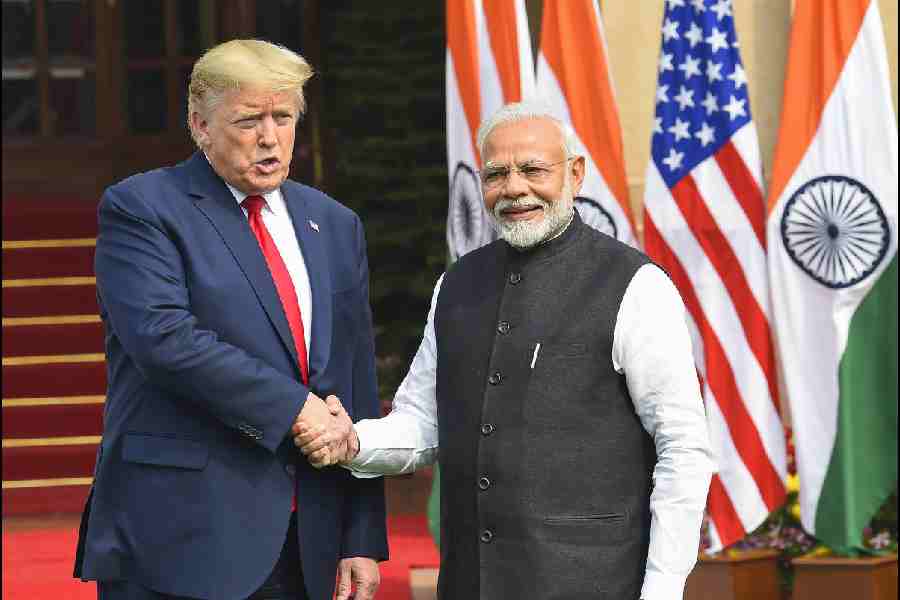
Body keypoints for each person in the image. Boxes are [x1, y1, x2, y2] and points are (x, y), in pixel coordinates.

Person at [296, 101, 715, 600]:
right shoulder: (456, 284)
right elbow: (422, 422)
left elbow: (683, 448)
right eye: (497, 173)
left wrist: (664, 588)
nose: (514, 187)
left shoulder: (636, 286)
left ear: (574, 174)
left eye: (533, 169)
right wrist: (353, 442)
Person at [73, 39, 386, 600]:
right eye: (248, 120)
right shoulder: (142, 208)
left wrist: (360, 535)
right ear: (199, 124)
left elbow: (355, 379)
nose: (270, 137)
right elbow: (163, 339)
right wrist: (295, 409)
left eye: (283, 117)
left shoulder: (335, 224)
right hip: (180, 536)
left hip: (307, 539)